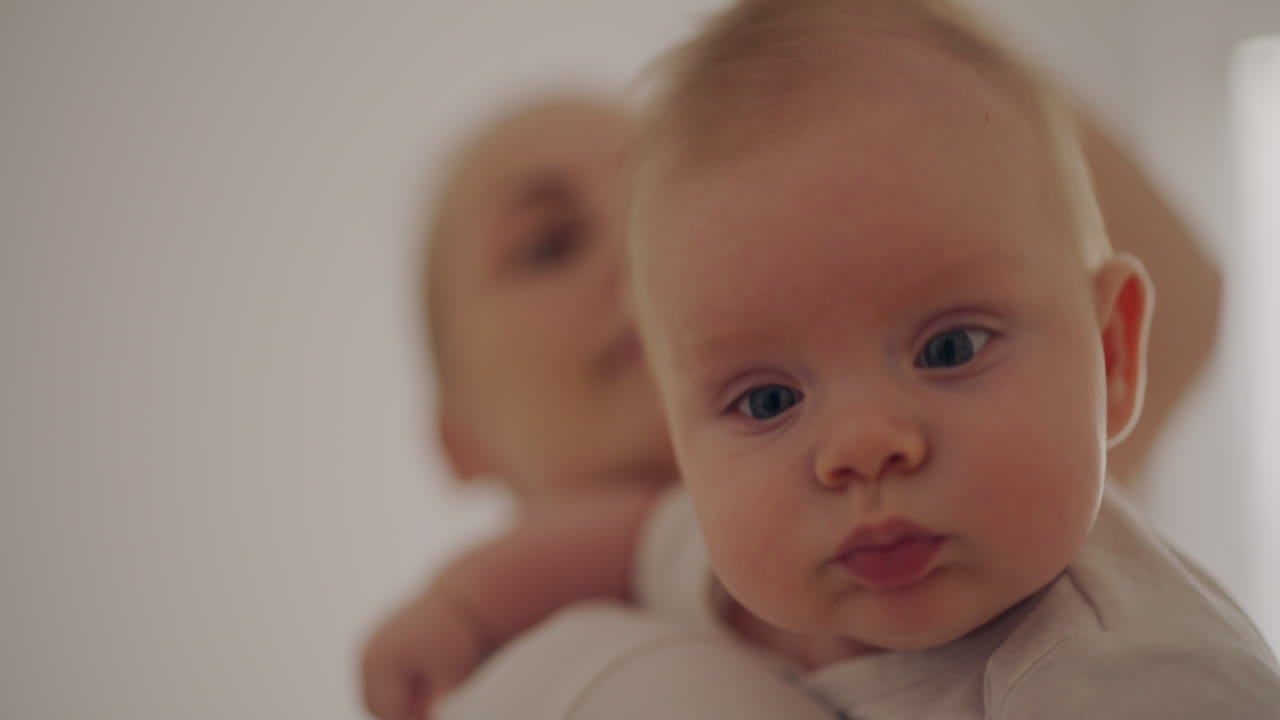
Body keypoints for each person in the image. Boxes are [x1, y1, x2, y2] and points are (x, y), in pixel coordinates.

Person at [365, 1, 1278, 718]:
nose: (632, 272)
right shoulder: (549, 667)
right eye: (551, 241)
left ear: (1110, 357)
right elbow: (611, 545)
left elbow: (1180, 294)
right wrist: (457, 615)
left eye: (948, 347)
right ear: (458, 437)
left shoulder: (1037, 550)